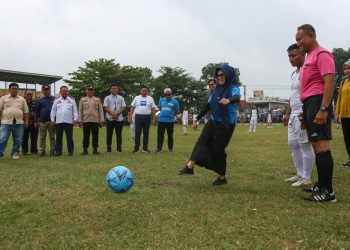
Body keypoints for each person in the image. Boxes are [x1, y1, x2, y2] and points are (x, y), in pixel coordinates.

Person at [178, 64, 240, 186]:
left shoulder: (233, 87)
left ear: (228, 75)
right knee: (202, 141)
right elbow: (208, 106)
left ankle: (222, 177)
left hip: (226, 124)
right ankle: (189, 167)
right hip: (213, 121)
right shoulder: (216, 89)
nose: (220, 77)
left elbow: (237, 97)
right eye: (218, 75)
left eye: (222, 74)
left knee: (218, 150)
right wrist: (197, 119)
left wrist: (229, 100)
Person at [296, 24, 336, 202]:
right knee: (315, 145)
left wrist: (323, 108)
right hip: (309, 104)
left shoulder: (322, 54)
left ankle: (328, 192)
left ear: (311, 36)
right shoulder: (310, 57)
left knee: (322, 146)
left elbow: (329, 81)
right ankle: (321, 185)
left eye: (300, 39)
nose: (298, 43)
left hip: (318, 102)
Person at [283, 43, 315, 187]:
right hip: (293, 114)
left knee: (305, 145)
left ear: (303, 54)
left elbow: (311, 93)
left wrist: (306, 113)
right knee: (293, 145)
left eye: (294, 55)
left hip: (302, 114)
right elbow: (293, 96)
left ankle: (307, 177)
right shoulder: (294, 74)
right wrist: (287, 113)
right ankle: (300, 174)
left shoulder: (307, 70)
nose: (291, 59)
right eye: (289, 56)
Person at [0, 83, 29, 159]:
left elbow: (26, 111)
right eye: (13, 89)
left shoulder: (22, 99)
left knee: (18, 139)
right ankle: (0, 153)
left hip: (19, 122)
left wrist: (26, 121)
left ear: (18, 90)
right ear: (9, 89)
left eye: (16, 89)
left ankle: (15, 153)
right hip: (5, 122)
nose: (14, 90)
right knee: (2, 139)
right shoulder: (3, 98)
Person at [50, 86, 78, 156]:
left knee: (69, 137)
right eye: (63, 91)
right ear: (60, 92)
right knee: (59, 137)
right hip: (59, 122)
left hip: (69, 122)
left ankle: (70, 151)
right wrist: (52, 120)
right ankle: (58, 152)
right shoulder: (56, 100)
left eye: (66, 91)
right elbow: (53, 111)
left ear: (68, 92)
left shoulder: (72, 100)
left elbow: (75, 111)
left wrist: (75, 119)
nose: (64, 92)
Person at [129, 85, 156, 153]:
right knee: (137, 133)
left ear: (147, 91)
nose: (144, 92)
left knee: (146, 133)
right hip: (138, 117)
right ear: (140, 91)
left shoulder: (150, 98)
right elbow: (132, 107)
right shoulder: (136, 98)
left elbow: (153, 109)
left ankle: (145, 148)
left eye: (145, 91)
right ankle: (136, 148)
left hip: (147, 117)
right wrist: (130, 117)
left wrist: (154, 118)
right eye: (143, 90)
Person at [79, 85, 104, 155]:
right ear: (86, 91)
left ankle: (95, 149)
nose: (90, 91)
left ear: (93, 91)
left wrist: (101, 120)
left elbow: (100, 110)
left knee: (95, 136)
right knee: (86, 136)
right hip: (86, 120)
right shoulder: (82, 99)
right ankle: (85, 150)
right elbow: (80, 110)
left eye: (91, 90)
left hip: (95, 120)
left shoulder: (97, 99)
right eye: (89, 90)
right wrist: (80, 121)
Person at [335, 59, 350, 168]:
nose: (346, 71)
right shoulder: (343, 82)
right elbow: (339, 98)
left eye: (348, 68)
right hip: (344, 116)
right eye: (345, 69)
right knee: (347, 138)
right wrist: (337, 113)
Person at [103, 83, 126, 153]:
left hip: (119, 119)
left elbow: (123, 107)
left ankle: (119, 149)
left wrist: (117, 113)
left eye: (115, 88)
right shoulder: (107, 98)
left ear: (117, 89)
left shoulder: (121, 98)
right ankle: (108, 149)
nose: (114, 89)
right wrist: (112, 114)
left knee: (119, 135)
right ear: (110, 89)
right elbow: (105, 107)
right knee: (109, 134)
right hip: (109, 118)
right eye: (113, 88)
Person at [156, 88, 179, 153]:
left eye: (169, 94)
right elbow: (160, 108)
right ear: (164, 95)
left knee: (170, 135)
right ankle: (159, 148)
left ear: (171, 94)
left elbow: (176, 111)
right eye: (166, 95)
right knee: (160, 135)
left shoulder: (175, 101)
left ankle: (170, 148)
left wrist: (171, 116)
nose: (167, 96)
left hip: (170, 121)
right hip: (161, 120)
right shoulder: (161, 100)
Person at [36, 84, 56, 156]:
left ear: (50, 90)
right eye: (45, 90)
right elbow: (37, 111)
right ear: (42, 91)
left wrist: (55, 120)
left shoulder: (55, 99)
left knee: (52, 137)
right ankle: (42, 150)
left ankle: (53, 150)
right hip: (42, 122)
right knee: (42, 137)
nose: (46, 91)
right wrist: (36, 121)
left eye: (48, 90)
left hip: (52, 121)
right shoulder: (39, 100)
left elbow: (57, 110)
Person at [22, 89, 38, 155]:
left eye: (31, 94)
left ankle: (34, 151)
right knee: (24, 137)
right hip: (24, 122)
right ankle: (24, 151)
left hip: (33, 122)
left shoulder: (36, 102)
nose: (29, 95)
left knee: (34, 137)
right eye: (28, 93)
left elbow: (37, 112)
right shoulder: (22, 102)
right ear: (25, 94)